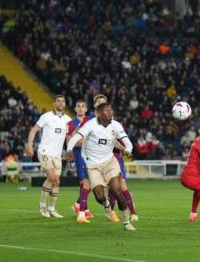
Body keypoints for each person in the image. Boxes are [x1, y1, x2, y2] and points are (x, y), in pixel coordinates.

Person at [67, 103, 136, 231]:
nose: (110, 113)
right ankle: (106, 204)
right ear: (98, 113)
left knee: (117, 190)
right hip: (93, 166)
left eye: (110, 110)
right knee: (99, 196)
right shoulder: (90, 124)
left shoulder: (116, 125)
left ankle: (126, 221)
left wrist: (128, 149)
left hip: (110, 162)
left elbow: (127, 141)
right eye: (106, 111)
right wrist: (69, 148)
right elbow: (76, 137)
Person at [25, 95, 71, 218]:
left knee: (57, 181)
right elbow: (33, 130)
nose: (61, 103)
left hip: (57, 155)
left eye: (63, 101)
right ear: (54, 103)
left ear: (65, 104)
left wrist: (69, 149)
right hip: (44, 152)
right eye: (58, 101)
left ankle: (52, 209)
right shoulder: (46, 116)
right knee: (52, 177)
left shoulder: (68, 119)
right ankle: (42, 207)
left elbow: (68, 137)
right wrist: (29, 145)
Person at [67, 99, 95, 223]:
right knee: (83, 181)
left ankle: (78, 205)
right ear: (75, 109)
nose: (80, 108)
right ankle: (84, 209)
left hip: (92, 154)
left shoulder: (91, 121)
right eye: (78, 106)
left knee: (93, 181)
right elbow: (69, 140)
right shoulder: (71, 123)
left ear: (86, 109)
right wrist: (83, 142)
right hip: (79, 154)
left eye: (83, 106)